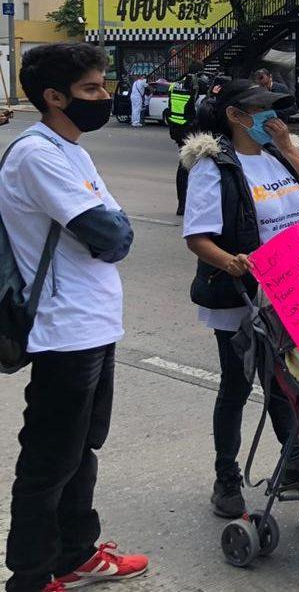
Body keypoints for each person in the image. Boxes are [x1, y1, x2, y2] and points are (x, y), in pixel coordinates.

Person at [0, 42, 148, 591]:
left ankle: (76, 555)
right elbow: (111, 234)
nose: (104, 97)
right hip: (63, 328)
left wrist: (113, 228)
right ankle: (32, 576)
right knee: (49, 458)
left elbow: (113, 230)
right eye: (91, 90)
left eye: (103, 86)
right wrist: (112, 228)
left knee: (84, 446)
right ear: (53, 96)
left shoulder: (73, 149)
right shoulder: (36, 154)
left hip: (95, 323)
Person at [180, 79, 299, 518]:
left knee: (285, 386)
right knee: (237, 384)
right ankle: (226, 477)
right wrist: (230, 263)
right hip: (241, 294)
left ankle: (295, 464)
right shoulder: (215, 167)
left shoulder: (277, 159)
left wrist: (288, 146)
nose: (273, 117)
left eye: (275, 110)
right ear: (236, 114)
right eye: (262, 109)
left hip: (289, 292)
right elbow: (197, 237)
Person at [166, 73, 201, 215]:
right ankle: (187, 205)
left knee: (183, 167)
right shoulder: (196, 85)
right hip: (190, 129)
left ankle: (182, 204)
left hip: (177, 129)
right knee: (188, 167)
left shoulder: (175, 85)